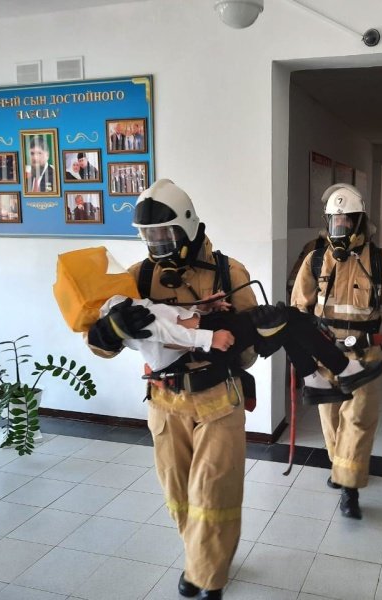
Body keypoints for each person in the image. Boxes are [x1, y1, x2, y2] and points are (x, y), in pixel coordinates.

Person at [85, 179, 256, 599]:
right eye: (149, 236)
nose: (157, 244)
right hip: (164, 402)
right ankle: (203, 557)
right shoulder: (136, 277)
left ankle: (208, 576)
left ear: (188, 226)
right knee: (178, 496)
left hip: (219, 399)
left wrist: (218, 330)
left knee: (212, 492)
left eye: (165, 234)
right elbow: (101, 345)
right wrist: (107, 332)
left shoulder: (229, 272)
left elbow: (249, 353)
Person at [291, 183, 382, 520]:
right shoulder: (315, 260)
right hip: (324, 357)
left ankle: (350, 488)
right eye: (335, 222)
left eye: (347, 221)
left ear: (359, 222)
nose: (341, 227)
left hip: (363, 358)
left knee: (358, 419)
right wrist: (299, 351)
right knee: (331, 419)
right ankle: (341, 467)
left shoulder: (378, 262)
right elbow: (298, 309)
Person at [99, 295, 382, 402]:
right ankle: (339, 370)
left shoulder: (124, 306)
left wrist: (203, 307)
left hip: (202, 332)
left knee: (285, 321)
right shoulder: (128, 316)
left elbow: (172, 318)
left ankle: (315, 380)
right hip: (194, 349)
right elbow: (167, 333)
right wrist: (209, 339)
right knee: (286, 319)